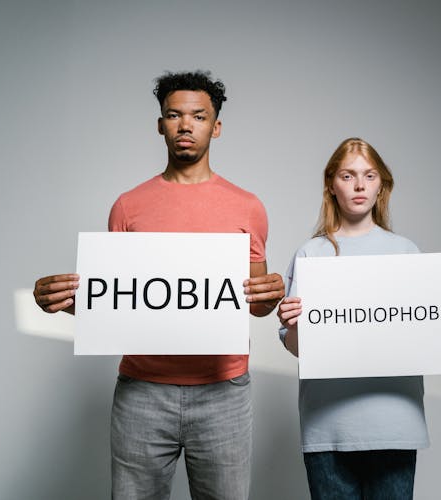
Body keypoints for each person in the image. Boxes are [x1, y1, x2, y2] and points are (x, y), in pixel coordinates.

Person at [32, 71, 284, 500]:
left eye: (198, 116)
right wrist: (61, 300)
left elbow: (253, 303)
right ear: (160, 124)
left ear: (216, 126)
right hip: (142, 392)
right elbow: (115, 297)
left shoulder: (248, 207)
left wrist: (270, 295)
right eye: (174, 115)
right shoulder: (129, 207)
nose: (185, 125)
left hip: (223, 391)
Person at [277, 137, 441, 500]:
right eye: (348, 175)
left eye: (369, 176)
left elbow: (425, 332)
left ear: (381, 185)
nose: (359, 185)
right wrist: (293, 323)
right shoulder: (311, 253)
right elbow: (298, 350)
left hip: (395, 423)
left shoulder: (405, 251)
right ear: (331, 184)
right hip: (328, 427)